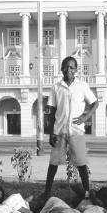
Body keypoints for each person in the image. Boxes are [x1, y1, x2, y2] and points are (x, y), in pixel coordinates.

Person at [42, 56, 99, 199]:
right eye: (66, 67)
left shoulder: (82, 86)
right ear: (61, 68)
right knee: (53, 163)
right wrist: (50, 133)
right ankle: (47, 192)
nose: (68, 70)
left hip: (76, 131)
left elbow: (95, 103)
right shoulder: (56, 87)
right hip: (59, 131)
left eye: (71, 67)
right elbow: (51, 110)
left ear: (76, 70)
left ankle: (86, 192)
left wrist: (85, 117)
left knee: (81, 163)